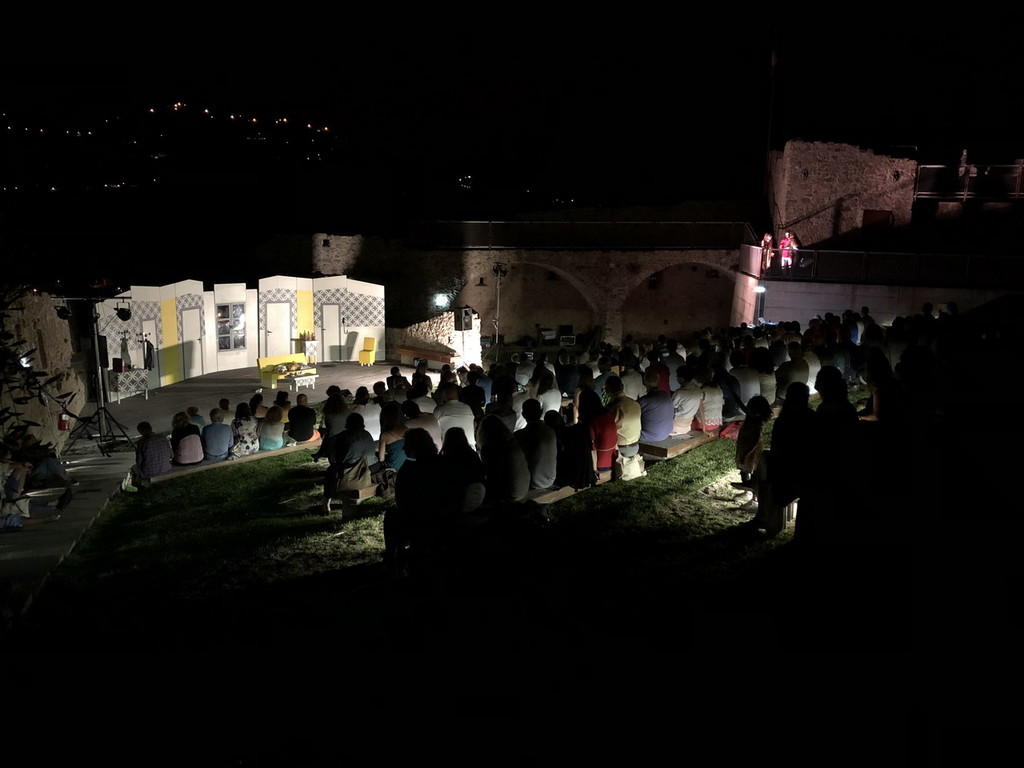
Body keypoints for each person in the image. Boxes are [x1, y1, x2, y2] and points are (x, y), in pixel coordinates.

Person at [322, 412, 377, 515]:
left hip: (352, 471)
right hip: (369, 468)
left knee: (330, 472)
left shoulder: (342, 436)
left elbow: (335, 459)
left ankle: (326, 503)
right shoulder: (367, 434)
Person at [515, 398, 558, 491]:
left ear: (523, 414)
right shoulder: (550, 431)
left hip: (531, 482)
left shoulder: (520, 435)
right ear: (541, 412)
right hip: (550, 478)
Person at [130, 421, 172, 488]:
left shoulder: (142, 443)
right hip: (166, 469)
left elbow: (139, 461)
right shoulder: (163, 438)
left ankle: (140, 486)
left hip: (149, 473)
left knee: (133, 468)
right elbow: (171, 454)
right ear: (151, 428)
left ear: (140, 432)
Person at [638, 368, 674, 443]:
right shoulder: (666, 395)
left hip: (647, 436)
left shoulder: (643, 401)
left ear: (644, 383)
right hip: (666, 433)